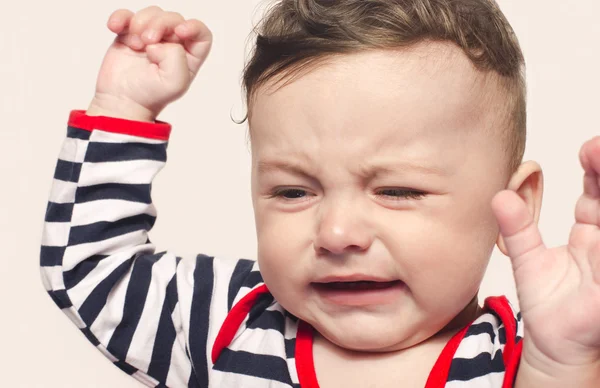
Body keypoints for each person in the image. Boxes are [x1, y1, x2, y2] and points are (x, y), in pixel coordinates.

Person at [40, 1, 600, 387]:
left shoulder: (529, 357)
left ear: (516, 204)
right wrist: (122, 109)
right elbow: (91, 271)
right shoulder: (226, 324)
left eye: (398, 190)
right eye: (291, 191)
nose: (336, 234)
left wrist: (565, 365)